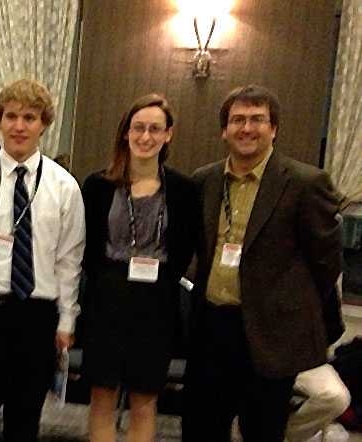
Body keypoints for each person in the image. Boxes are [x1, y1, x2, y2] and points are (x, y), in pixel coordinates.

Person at [183, 84, 344, 441]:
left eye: (257, 119)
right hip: (212, 328)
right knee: (201, 429)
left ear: (274, 129)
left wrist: (287, 306)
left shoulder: (305, 183)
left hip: (271, 336)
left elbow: (326, 264)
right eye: (237, 119)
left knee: (261, 431)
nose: (246, 128)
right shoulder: (204, 180)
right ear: (224, 130)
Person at [0, 78, 85, 442]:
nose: (19, 126)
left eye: (29, 117)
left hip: (37, 317)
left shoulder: (64, 186)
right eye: (11, 116)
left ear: (44, 124)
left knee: (25, 421)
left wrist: (66, 320)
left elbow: (69, 260)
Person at [80, 94, 199, 442]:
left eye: (155, 129)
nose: (146, 137)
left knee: (144, 401)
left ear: (168, 135)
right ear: (126, 133)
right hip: (107, 300)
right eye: (138, 128)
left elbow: (184, 250)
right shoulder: (98, 185)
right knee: (102, 397)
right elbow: (88, 247)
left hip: (157, 305)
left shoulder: (183, 190)